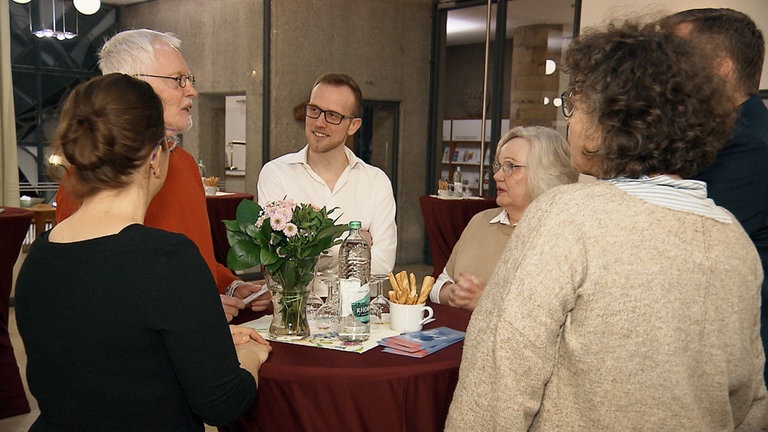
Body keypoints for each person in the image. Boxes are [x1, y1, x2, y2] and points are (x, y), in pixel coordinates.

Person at [446, 20, 768, 430]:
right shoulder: (731, 236)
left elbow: (499, 376)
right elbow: (751, 400)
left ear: (611, 118)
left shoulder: (568, 215)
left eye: (574, 106)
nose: (570, 122)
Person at [15, 74, 271, 431]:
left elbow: (104, 358)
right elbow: (221, 402)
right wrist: (250, 356)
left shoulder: (39, 256)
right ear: (155, 156)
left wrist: (205, 342)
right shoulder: (167, 259)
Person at [54, 29, 267, 322]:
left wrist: (230, 285)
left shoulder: (185, 162)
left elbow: (198, 258)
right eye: (178, 80)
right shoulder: (90, 177)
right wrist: (188, 309)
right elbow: (90, 291)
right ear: (133, 87)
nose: (190, 90)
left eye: (189, 80)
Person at [660, 7, 768, 384]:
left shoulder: (754, 150)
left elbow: (676, 244)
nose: (660, 74)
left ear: (720, 68)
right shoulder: (712, 140)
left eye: (673, 57)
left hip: (733, 368)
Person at [257, 72, 397, 280]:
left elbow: (383, 265)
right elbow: (276, 261)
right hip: (297, 310)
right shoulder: (276, 173)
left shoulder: (376, 182)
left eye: (333, 115)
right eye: (314, 110)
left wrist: (310, 256)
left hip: (356, 309)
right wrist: (355, 250)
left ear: (353, 125)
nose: (319, 123)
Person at [429, 126, 578, 310]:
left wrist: (483, 302)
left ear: (544, 174)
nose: (496, 176)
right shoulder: (480, 222)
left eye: (510, 166)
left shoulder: (562, 237)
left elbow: (553, 313)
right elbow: (438, 286)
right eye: (498, 166)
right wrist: (454, 294)